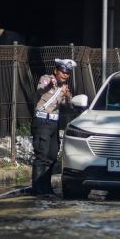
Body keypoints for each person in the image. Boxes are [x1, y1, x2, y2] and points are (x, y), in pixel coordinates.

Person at [31, 58, 76, 195]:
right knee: (42, 155)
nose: (65, 75)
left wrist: (67, 96)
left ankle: (47, 187)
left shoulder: (64, 87)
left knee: (52, 156)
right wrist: (51, 84)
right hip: (42, 122)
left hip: (54, 124)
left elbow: (67, 106)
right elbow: (40, 89)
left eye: (67, 73)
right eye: (63, 72)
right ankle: (37, 188)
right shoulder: (46, 78)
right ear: (56, 71)